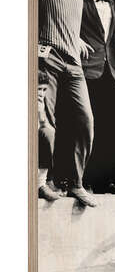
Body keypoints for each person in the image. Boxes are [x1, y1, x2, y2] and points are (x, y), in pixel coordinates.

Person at [38, 0, 97, 207]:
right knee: (45, 121)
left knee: (85, 121)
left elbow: (65, 14)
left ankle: (74, 183)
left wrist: (76, 37)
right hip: (46, 55)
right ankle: (40, 181)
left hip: (73, 62)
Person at [80, 0, 115, 194]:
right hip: (88, 68)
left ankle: (103, 181)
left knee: (109, 128)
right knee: (88, 126)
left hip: (110, 71)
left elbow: (110, 39)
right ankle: (83, 179)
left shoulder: (113, 3)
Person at [38, 69, 59, 201]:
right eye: (39, 89)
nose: (41, 94)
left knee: (49, 133)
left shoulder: (40, 103)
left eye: (44, 90)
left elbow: (43, 124)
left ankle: (41, 183)